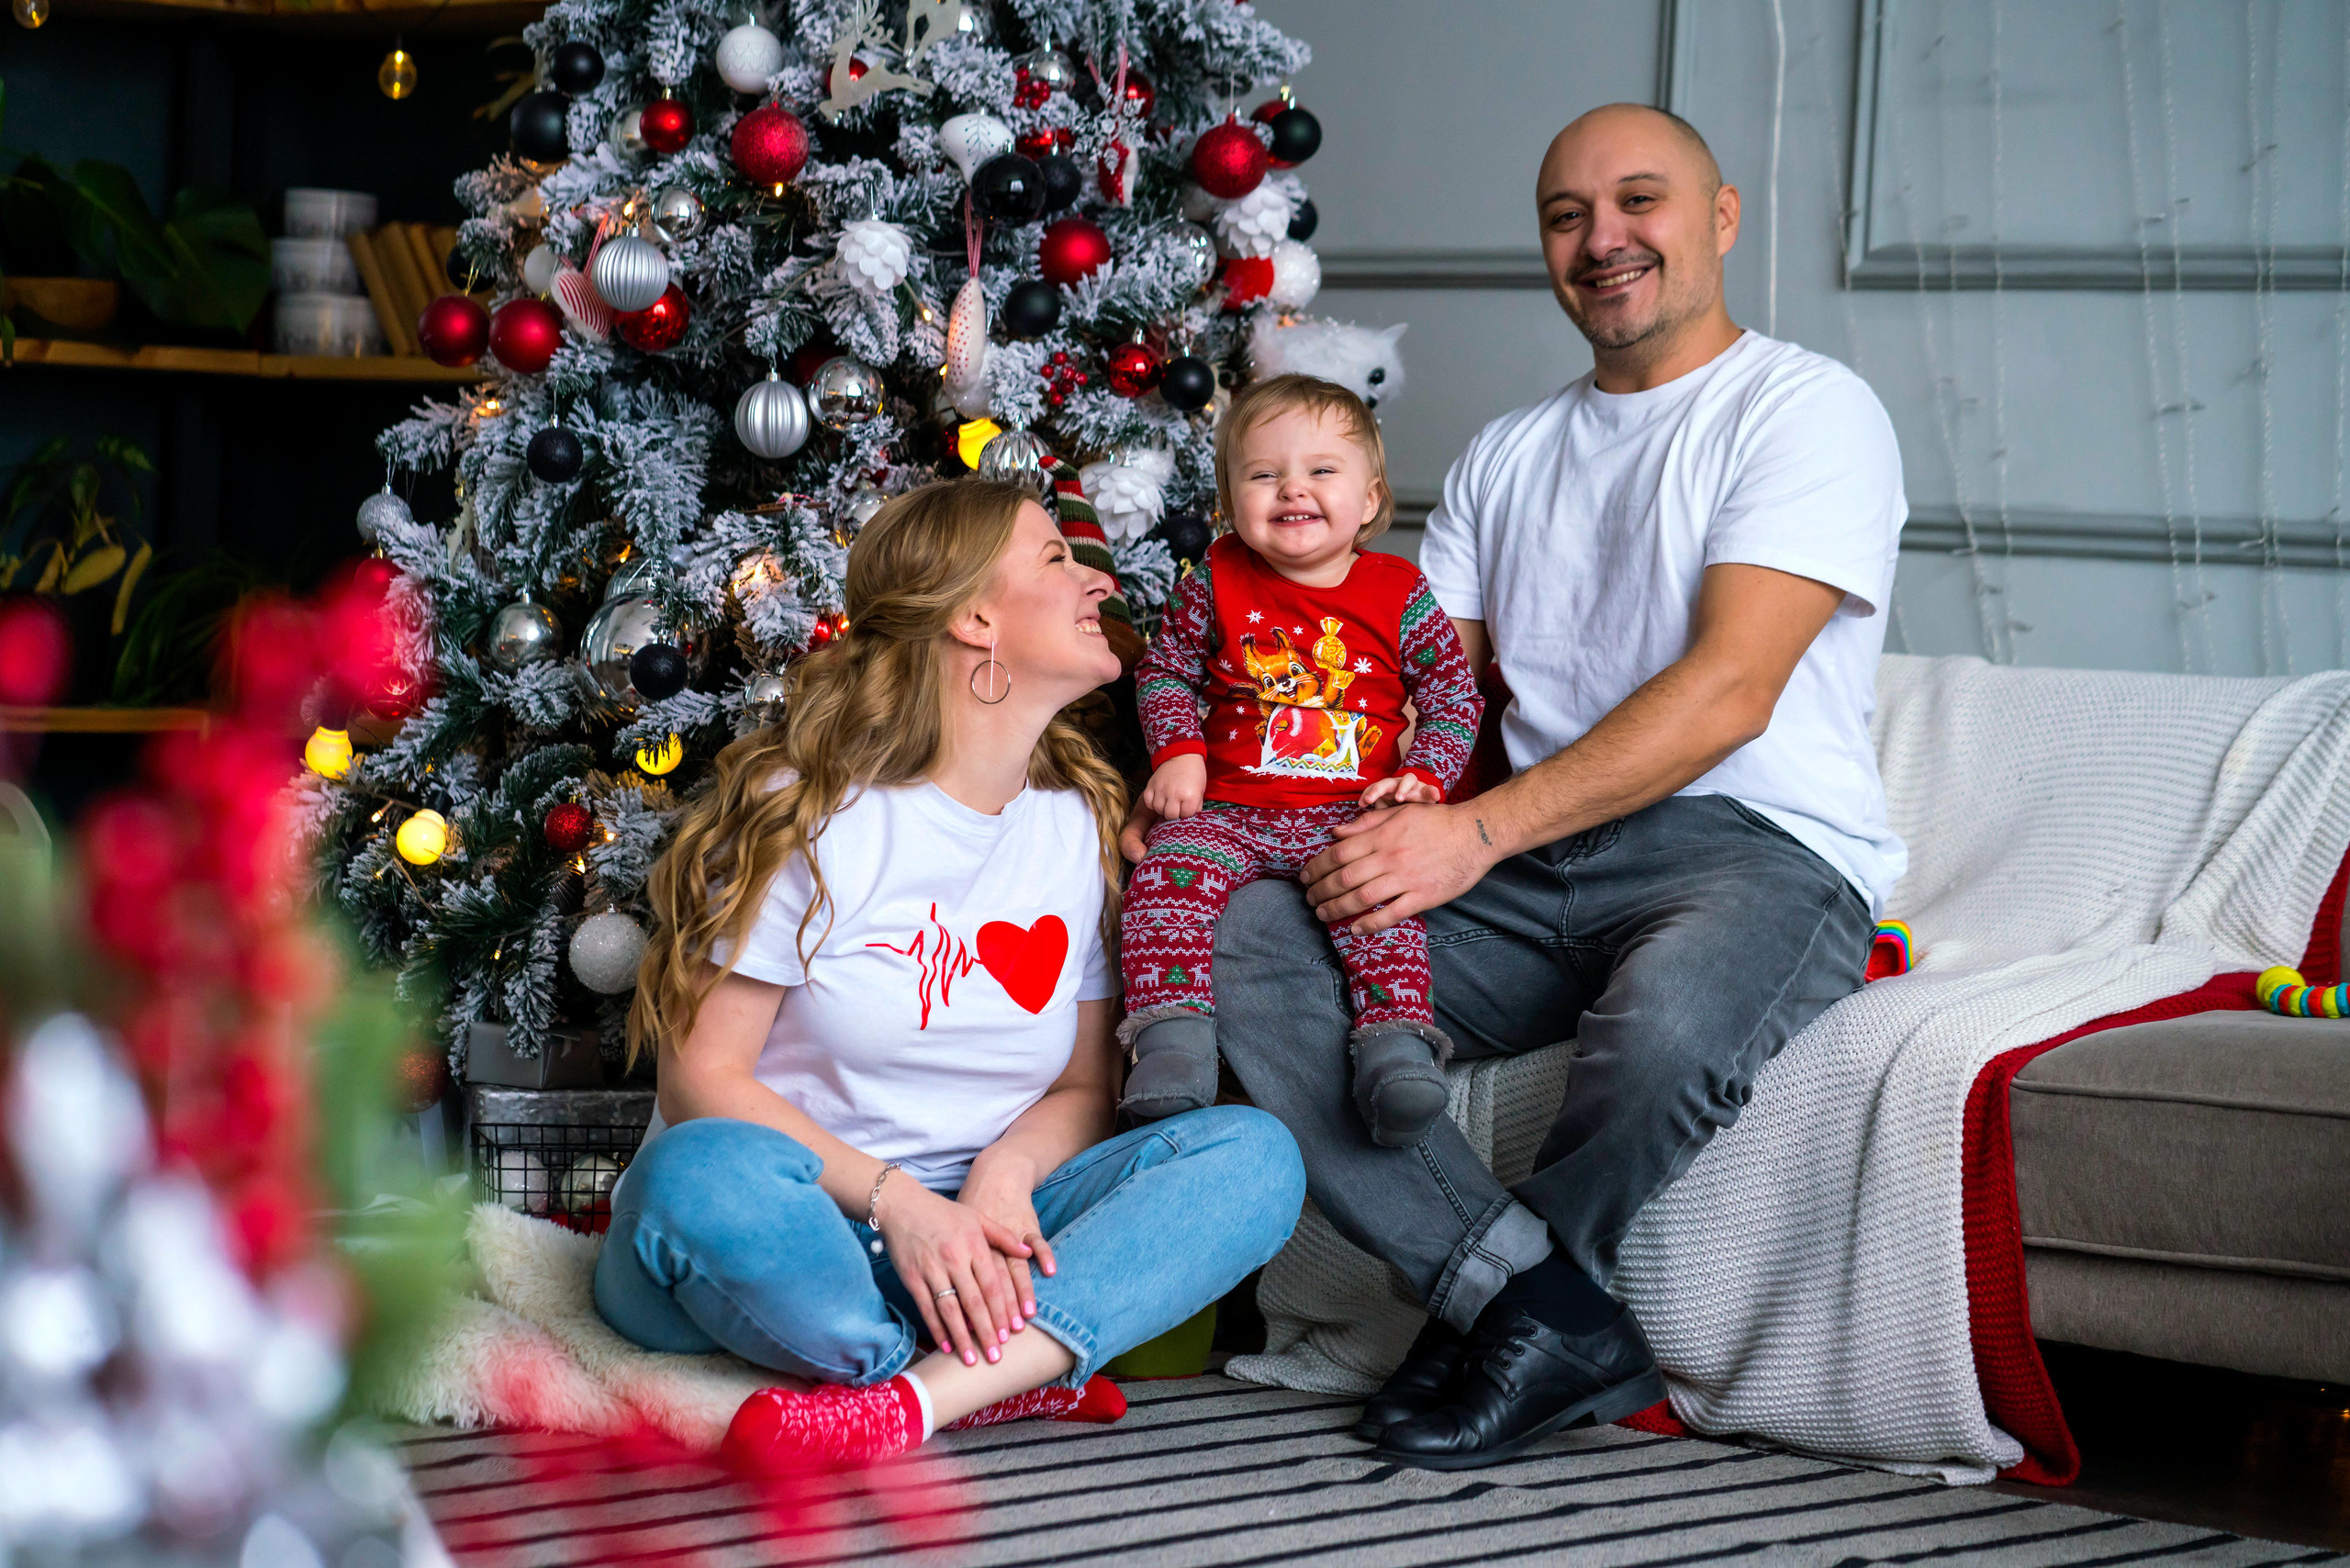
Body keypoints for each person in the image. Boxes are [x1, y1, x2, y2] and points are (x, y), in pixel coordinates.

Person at [1138, 102, 1908, 1471]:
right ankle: (1534, 1306)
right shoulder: (1506, 454)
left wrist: (1470, 831)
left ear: (1720, 220)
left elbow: (1731, 693)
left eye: (1640, 202)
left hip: (1755, 851)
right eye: (1568, 216)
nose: (1603, 239)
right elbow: (1410, 682)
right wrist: (1239, 788)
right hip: (1531, 863)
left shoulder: (1807, 410)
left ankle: (1497, 1318)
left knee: (1669, 1029)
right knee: (1253, 926)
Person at [597, 478, 1306, 1468]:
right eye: (1056, 559)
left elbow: (1084, 1085)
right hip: (808, 1218)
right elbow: (702, 1080)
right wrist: (903, 1207)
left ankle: (909, 1398)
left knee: (1254, 1156)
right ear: (976, 618)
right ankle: (986, 1371)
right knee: (695, 1179)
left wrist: (998, 1185)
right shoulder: (807, 806)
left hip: (994, 1227)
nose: (1095, 583)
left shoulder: (1074, 821)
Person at [1120, 375, 1483, 1148]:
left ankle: (1394, 1049)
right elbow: (1165, 673)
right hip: (1229, 811)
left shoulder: (1400, 590)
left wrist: (1428, 775)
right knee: (1164, 879)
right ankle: (1173, 1041)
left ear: (1371, 499)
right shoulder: (1216, 580)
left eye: (1322, 471)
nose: (1293, 489)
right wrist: (1179, 753)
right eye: (1264, 474)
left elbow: (1455, 698)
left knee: (1381, 908)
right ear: (1230, 500)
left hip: (1352, 814)